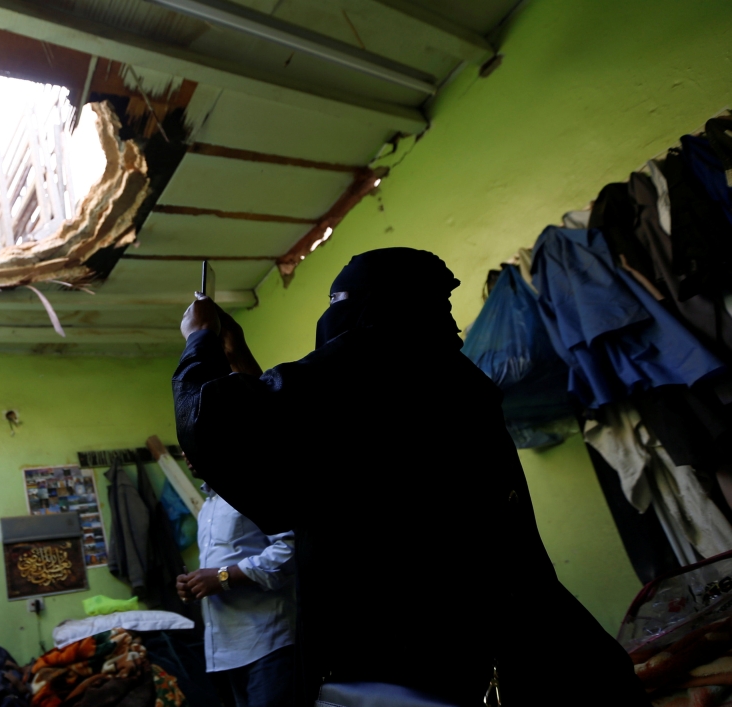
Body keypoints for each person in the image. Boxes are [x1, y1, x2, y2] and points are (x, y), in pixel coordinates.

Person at [172, 248, 650, 706]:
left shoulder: (365, 366)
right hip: (492, 615)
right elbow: (300, 447)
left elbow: (216, 425)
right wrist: (236, 355)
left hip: (401, 639)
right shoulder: (447, 375)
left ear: (369, 307)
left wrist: (200, 342)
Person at [176, 481, 296, 707]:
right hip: (227, 650)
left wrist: (225, 577)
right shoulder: (208, 507)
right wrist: (193, 585)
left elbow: (290, 548)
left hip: (267, 642)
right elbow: (222, 563)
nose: (185, 454)